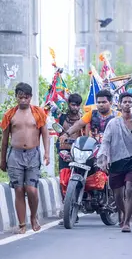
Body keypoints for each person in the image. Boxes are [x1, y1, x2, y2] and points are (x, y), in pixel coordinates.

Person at [0, 83, 50, 234]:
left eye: (26, 97)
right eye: (20, 97)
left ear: (30, 97)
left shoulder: (38, 113)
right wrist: (2, 160)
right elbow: (4, 139)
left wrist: (47, 153)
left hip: (33, 155)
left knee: (32, 189)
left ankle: (33, 217)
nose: (23, 100)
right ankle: (22, 224)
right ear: (16, 97)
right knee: (19, 189)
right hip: (15, 155)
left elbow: (45, 134)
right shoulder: (10, 114)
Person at [97, 93, 132, 233]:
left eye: (130, 102)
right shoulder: (113, 123)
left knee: (130, 189)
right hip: (116, 162)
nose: (127, 104)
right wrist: (103, 157)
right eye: (125, 102)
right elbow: (106, 141)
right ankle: (122, 213)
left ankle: (127, 222)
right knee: (117, 194)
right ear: (120, 105)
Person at [55, 94, 83, 172]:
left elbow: (86, 137)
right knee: (63, 177)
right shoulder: (62, 117)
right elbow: (58, 133)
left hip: (78, 154)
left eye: (78, 105)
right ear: (68, 104)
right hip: (64, 152)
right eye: (73, 105)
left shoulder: (83, 119)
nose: (75, 108)